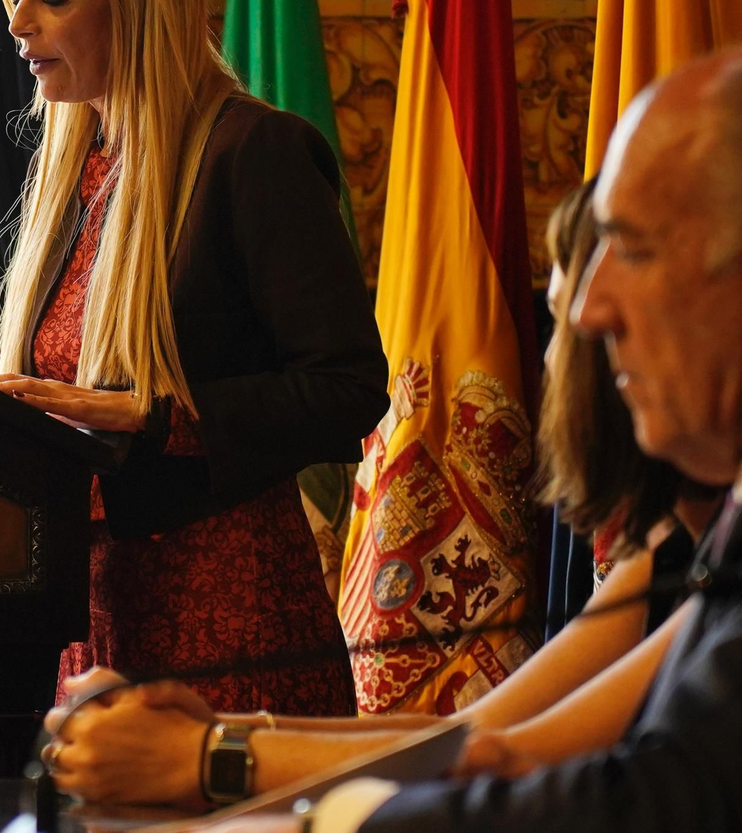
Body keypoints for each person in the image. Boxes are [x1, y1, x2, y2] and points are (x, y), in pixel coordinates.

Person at [37, 176, 720, 811]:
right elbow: (470, 732)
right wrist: (213, 729)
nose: (546, 360)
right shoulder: (669, 548)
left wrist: (205, 755)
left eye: (563, 320)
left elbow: (499, 757)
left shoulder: (709, 552)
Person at [202, 47, 742, 831]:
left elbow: (553, 767)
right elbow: (491, 747)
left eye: (633, 251)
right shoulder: (707, 539)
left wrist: (220, 761)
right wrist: (222, 746)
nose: (583, 322)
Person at [0, 0, 387, 718]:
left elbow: (347, 389)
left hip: (226, 613)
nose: (18, 23)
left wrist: (152, 414)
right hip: (94, 612)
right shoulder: (76, 175)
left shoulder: (254, 152)